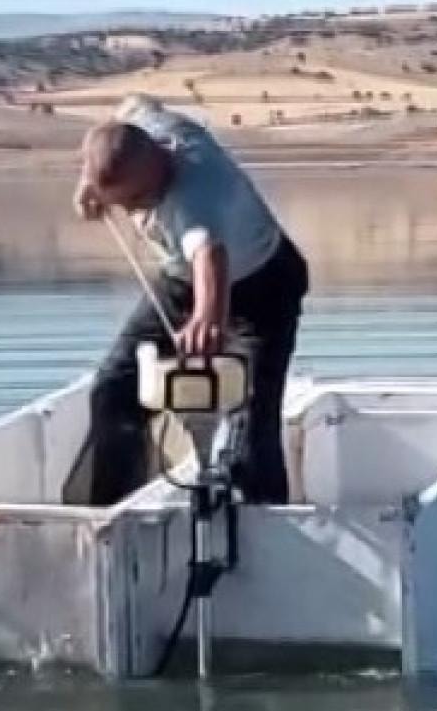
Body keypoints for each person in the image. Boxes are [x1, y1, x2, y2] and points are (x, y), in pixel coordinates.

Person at [73, 94, 308, 505]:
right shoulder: (145, 124)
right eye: (121, 204)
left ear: (158, 166)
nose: (132, 210)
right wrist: (88, 186)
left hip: (264, 285)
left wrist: (206, 317)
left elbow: (209, 255)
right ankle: (109, 513)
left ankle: (261, 521)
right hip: (180, 282)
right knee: (113, 389)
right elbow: (130, 108)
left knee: (250, 416)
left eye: (136, 200)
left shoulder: (196, 196)